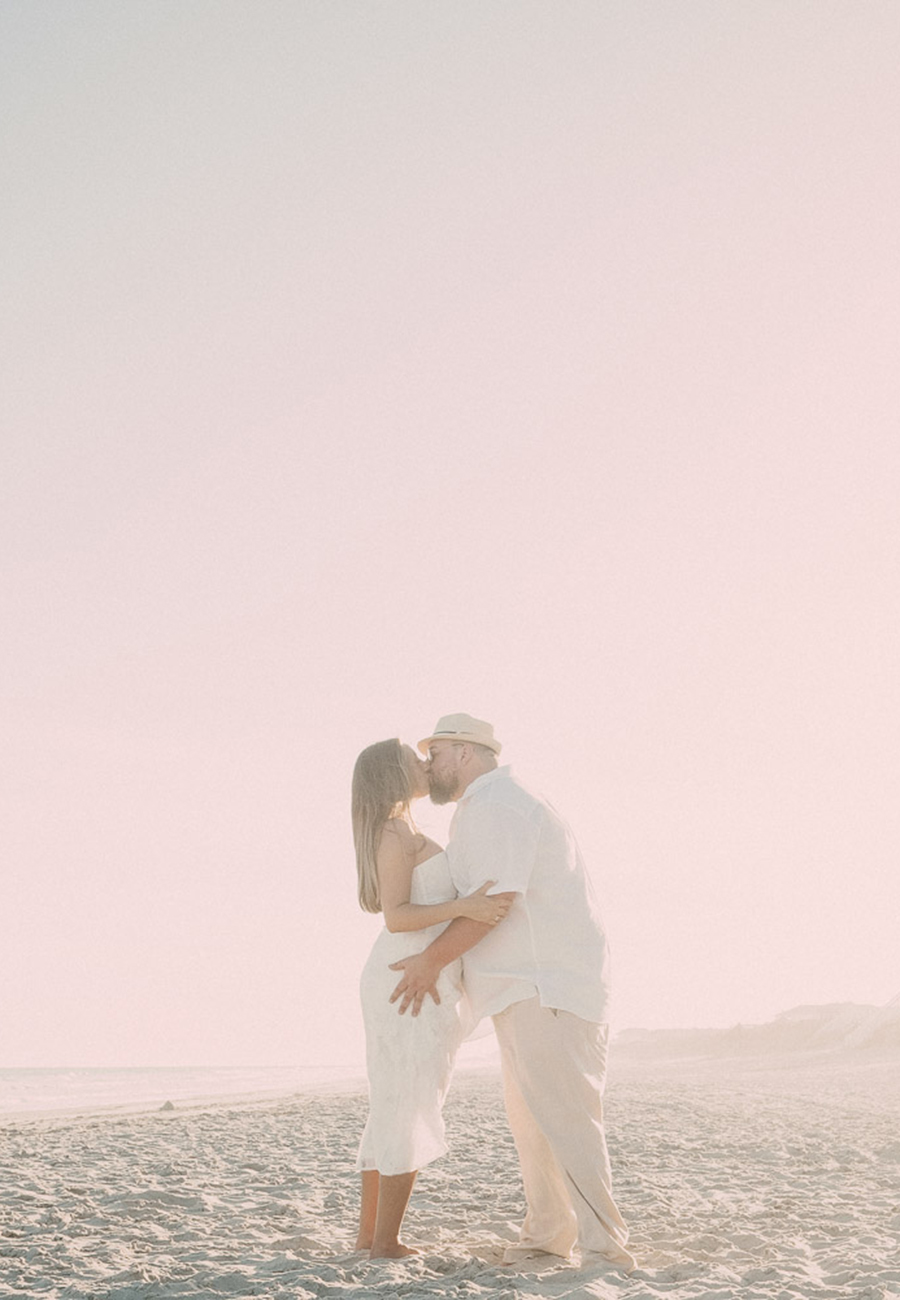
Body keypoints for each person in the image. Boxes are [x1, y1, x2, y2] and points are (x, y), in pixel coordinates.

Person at [388, 713, 635, 1271]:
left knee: (567, 1123)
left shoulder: (498, 805)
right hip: (524, 990)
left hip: (543, 986)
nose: (429, 766)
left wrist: (429, 962)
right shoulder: (491, 804)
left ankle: (604, 1251)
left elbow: (493, 902)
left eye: (437, 753)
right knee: (534, 1126)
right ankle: (548, 1238)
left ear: (466, 754)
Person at [351, 737, 512, 1258]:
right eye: (413, 760)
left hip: (416, 972)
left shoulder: (404, 830)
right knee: (408, 1099)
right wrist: (465, 906)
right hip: (408, 975)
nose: (425, 764)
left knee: (396, 1099)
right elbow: (395, 915)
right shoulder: (395, 833)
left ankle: (371, 1237)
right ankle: (385, 1241)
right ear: (393, 776)